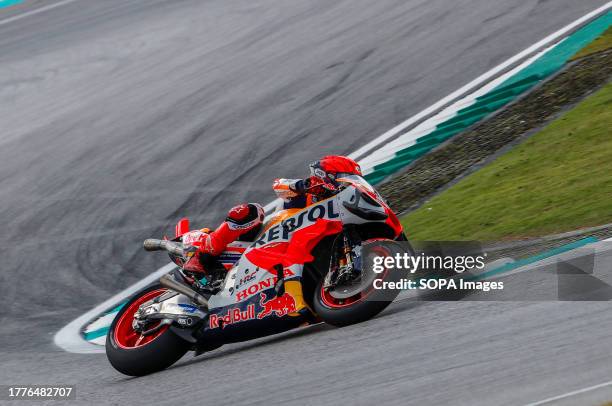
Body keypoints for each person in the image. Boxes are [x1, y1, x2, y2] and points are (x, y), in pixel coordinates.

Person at [182, 155, 362, 274]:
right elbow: (278, 185)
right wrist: (301, 186)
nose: (345, 186)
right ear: (327, 176)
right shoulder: (307, 191)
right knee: (251, 211)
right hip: (264, 239)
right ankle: (202, 256)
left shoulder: (340, 207)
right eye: (343, 179)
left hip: (295, 253)